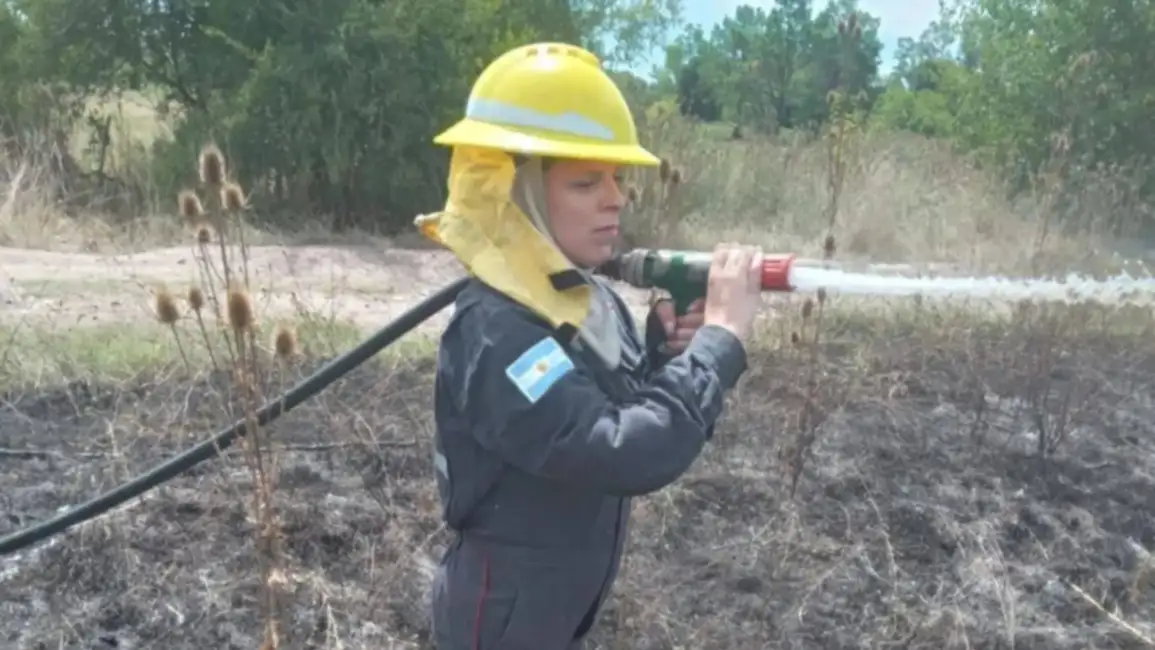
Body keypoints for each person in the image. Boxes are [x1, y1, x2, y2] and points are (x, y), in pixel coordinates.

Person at [415, 42, 765, 650]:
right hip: (500, 625)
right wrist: (718, 345)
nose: (616, 199)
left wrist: (663, 355)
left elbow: (610, 410)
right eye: (585, 182)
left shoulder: (580, 299)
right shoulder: (497, 330)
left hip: (553, 610)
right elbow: (618, 451)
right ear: (516, 194)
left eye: (616, 179)